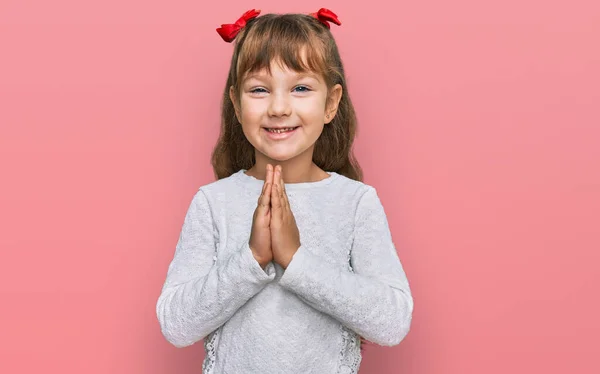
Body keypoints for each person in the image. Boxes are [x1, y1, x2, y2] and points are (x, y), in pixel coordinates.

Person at [156, 8, 414, 374]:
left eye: (301, 88)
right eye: (259, 89)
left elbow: (392, 322)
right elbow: (176, 325)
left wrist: (296, 260)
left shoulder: (356, 203)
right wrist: (252, 259)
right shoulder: (214, 203)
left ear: (331, 103)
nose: (278, 107)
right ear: (236, 101)